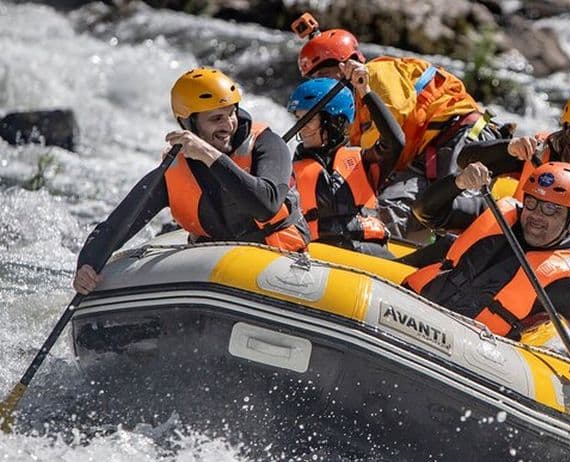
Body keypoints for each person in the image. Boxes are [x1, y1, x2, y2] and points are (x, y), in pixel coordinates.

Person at [73, 67, 310, 294]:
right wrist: (88, 263)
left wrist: (209, 155)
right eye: (216, 118)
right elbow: (119, 223)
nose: (228, 125)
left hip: (282, 265)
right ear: (188, 124)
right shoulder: (174, 170)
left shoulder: (267, 144)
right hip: (219, 272)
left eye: (231, 113)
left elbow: (266, 205)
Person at [294, 14, 506, 241]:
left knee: (453, 204)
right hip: (424, 156)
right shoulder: (351, 110)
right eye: (315, 79)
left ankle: (497, 230)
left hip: (459, 134)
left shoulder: (376, 74)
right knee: (392, 206)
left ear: (348, 64)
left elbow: (395, 118)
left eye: (325, 75)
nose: (322, 84)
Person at [403, 162, 570, 389]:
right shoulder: (495, 214)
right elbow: (425, 212)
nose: (536, 215)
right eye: (532, 203)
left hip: (467, 358)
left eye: (551, 209)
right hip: (410, 312)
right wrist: (458, 182)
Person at [416, 88, 570, 290]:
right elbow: (466, 159)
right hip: (511, 248)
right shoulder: (535, 153)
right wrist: (509, 149)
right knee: (446, 236)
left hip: (561, 276)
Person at [287, 62, 405, 258]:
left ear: (334, 122)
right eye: (298, 120)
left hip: (372, 258)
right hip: (321, 259)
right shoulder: (289, 171)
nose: (302, 127)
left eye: (308, 119)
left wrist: (364, 91)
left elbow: (395, 141)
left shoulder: (363, 161)